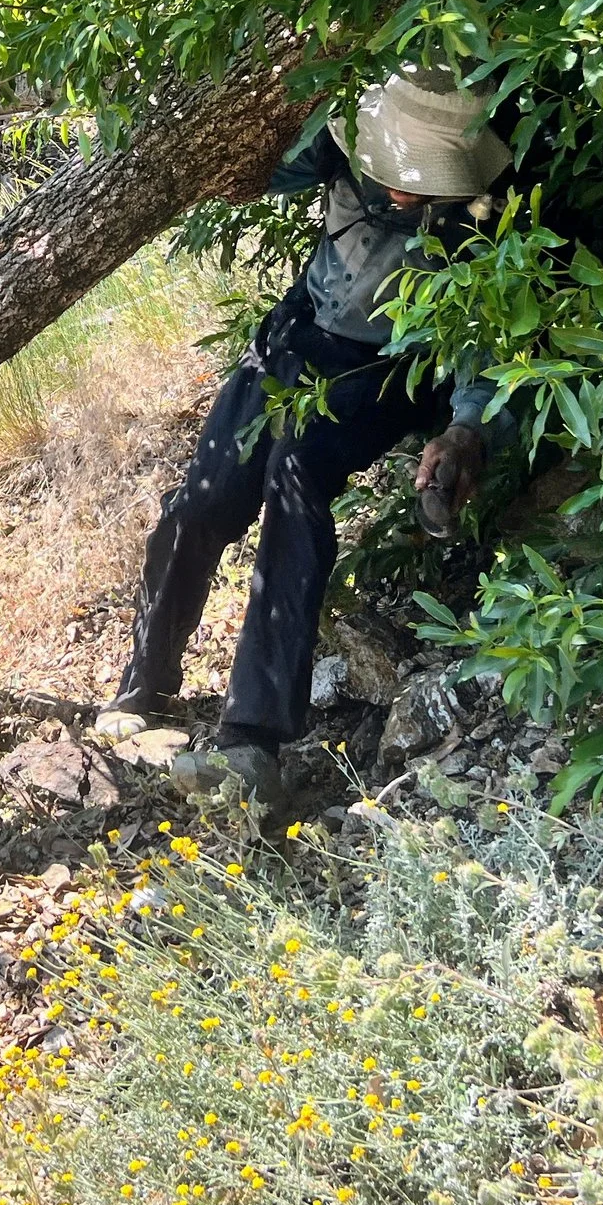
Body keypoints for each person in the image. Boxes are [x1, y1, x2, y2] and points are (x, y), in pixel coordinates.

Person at [94, 63, 515, 804]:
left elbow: (488, 338)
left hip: (387, 369)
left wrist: (467, 430)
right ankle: (146, 682)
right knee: (204, 498)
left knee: (294, 479)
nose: (402, 190)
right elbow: (251, 169)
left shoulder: (486, 211)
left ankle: (251, 742)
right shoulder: (340, 141)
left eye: (423, 177)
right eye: (394, 169)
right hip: (296, 335)